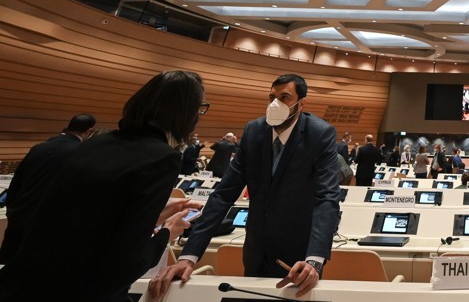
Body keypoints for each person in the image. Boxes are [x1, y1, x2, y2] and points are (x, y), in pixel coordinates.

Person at [0, 72, 204, 302]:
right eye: (199, 108)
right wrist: (166, 233)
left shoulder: (95, 144)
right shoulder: (161, 158)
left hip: (23, 285)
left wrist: (154, 215)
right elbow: (124, 265)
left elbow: (85, 219)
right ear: (186, 112)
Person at [150, 73, 342, 298]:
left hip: (299, 253)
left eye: (284, 97)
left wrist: (315, 259)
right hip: (256, 248)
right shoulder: (254, 132)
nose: (275, 103)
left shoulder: (320, 134)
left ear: (301, 103)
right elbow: (223, 195)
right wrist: (189, 256)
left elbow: (326, 197)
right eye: (271, 97)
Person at [0, 113, 96, 264]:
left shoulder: (39, 147)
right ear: (89, 131)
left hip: (20, 214)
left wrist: (13, 209)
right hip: (47, 221)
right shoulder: (82, 153)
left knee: (7, 262)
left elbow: (17, 181)